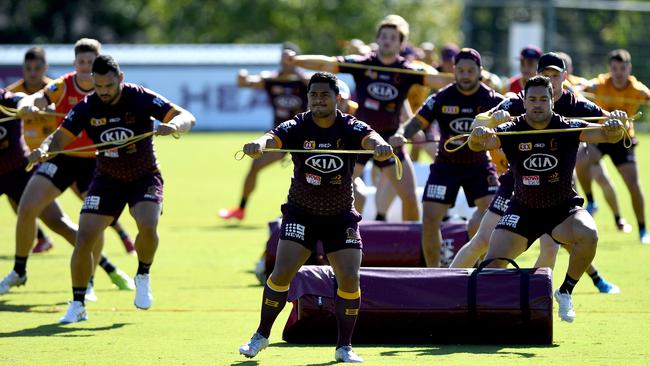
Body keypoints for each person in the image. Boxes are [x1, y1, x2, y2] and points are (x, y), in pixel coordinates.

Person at [26, 54, 195, 323]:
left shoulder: (139, 97)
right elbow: (58, 138)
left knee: (147, 224)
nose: (103, 92)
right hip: (107, 179)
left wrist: (174, 125)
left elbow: (187, 116)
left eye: (108, 86)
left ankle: (143, 273)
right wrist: (43, 150)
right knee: (85, 239)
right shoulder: (87, 106)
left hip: (144, 176)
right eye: (98, 86)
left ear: (120, 79)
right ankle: (78, 303)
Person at [239, 72, 393, 363]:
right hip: (301, 214)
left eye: (324, 94)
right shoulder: (298, 124)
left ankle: (344, 347)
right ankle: (260, 335)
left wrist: (380, 145)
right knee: (281, 273)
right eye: (313, 95)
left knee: (349, 278)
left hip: (340, 217)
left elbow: (371, 136)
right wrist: (259, 145)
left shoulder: (349, 125)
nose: (319, 99)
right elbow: (272, 136)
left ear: (337, 99)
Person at [451, 53, 621, 294]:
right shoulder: (522, 99)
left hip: (556, 181)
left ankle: (542, 298)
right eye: (545, 75)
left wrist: (617, 120)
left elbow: (610, 127)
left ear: (565, 76)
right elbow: (480, 124)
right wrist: (488, 123)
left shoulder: (576, 104)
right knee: (482, 240)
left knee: (555, 244)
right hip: (516, 182)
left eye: (555, 75)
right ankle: (448, 286)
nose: (550, 81)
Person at [0, 39, 135, 301]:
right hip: (62, 157)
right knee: (27, 208)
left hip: (94, 162)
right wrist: (32, 103)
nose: (85, 68)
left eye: (90, 63)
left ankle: (91, 280)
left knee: (93, 225)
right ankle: (19, 270)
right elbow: (39, 96)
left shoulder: (108, 90)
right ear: (74, 63)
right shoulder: (62, 84)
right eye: (81, 62)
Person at [286, 14, 453, 222]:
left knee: (409, 197)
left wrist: (475, 79)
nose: (387, 40)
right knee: (328, 191)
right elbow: (326, 64)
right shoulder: (363, 63)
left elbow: (440, 81)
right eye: (384, 36)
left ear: (401, 43)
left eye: (393, 37)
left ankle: (413, 249)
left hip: (390, 141)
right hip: (358, 139)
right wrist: (295, 60)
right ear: (377, 39)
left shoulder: (407, 69)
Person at [390, 48, 503, 267]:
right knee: (430, 219)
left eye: (471, 70)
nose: (466, 75)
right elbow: (415, 123)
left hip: (479, 165)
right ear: (454, 71)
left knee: (492, 216)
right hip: (446, 166)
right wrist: (400, 135)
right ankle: (435, 275)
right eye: (461, 70)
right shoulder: (441, 97)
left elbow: (517, 117)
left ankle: (483, 270)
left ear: (480, 72)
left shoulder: (492, 99)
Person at [219, 42, 309, 221]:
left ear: (297, 61)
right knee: (255, 166)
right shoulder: (271, 79)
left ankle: (294, 212)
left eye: (290, 59)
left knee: (308, 174)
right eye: (283, 59)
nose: (286, 63)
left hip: (305, 135)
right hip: (279, 135)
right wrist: (241, 75)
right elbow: (245, 83)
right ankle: (241, 209)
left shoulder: (306, 81)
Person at [576, 49, 650, 244]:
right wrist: (577, 87)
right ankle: (591, 200)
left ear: (629, 69)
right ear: (610, 69)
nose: (619, 72)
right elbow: (583, 86)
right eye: (615, 68)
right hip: (601, 136)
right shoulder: (601, 83)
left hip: (623, 140)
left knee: (633, 185)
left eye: (623, 68)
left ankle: (643, 230)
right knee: (581, 160)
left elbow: (648, 97)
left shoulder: (637, 89)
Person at [5, 46, 57, 253]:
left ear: (45, 68)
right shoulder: (12, 93)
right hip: (26, 159)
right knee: (16, 196)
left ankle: (122, 235)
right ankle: (42, 238)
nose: (33, 72)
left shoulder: (54, 91)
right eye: (28, 68)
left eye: (37, 68)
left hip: (54, 154)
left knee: (84, 193)